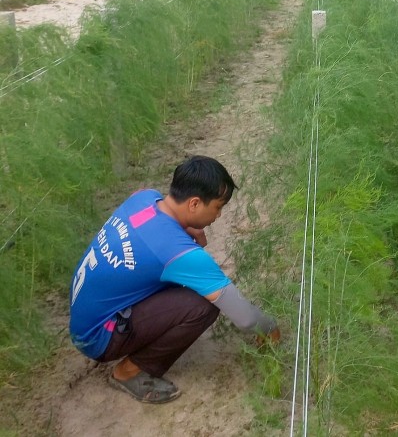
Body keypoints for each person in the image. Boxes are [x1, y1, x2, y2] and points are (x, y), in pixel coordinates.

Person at [69, 155, 280, 404]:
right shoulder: (178, 253)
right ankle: (129, 372)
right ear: (194, 204)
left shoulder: (144, 198)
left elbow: (142, 223)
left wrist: (183, 229)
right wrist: (270, 327)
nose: (219, 216)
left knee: (172, 277)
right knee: (202, 306)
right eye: (218, 207)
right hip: (97, 338)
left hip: (84, 317)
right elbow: (244, 318)